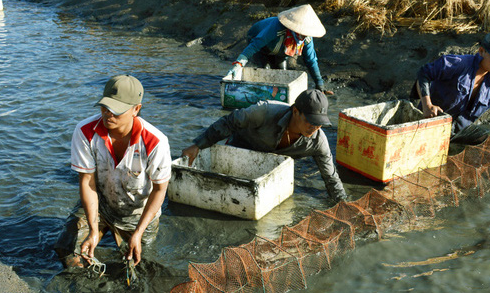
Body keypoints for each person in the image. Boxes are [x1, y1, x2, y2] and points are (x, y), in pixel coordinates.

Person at [55, 75, 171, 268]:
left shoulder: (155, 142)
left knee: (139, 266)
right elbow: (87, 182)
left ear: (136, 109)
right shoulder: (85, 131)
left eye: (116, 110)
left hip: (137, 213)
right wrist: (93, 230)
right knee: (69, 253)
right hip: (101, 205)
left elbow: (160, 190)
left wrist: (138, 232)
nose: (108, 114)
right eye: (105, 107)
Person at [181, 89, 347, 203]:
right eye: (310, 121)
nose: (314, 128)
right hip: (241, 149)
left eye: (319, 124)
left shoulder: (318, 141)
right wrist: (198, 145)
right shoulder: (264, 111)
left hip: (269, 166)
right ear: (296, 111)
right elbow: (229, 122)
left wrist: (342, 202)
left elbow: (331, 177)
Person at [227, 4, 334, 95]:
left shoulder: (306, 39)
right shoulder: (277, 28)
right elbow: (255, 45)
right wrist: (239, 64)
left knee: (281, 76)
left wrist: (319, 84)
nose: (303, 36)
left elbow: (311, 60)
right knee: (265, 72)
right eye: (301, 33)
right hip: (260, 43)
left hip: (280, 51)